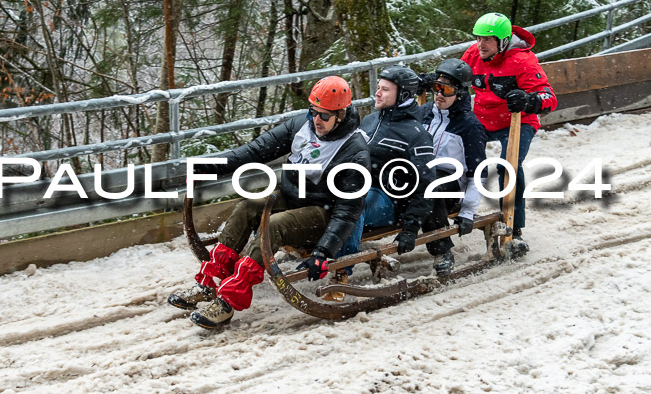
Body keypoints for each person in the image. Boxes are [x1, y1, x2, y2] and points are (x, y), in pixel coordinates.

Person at [168, 76, 370, 329]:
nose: (316, 120)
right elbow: (254, 152)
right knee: (248, 206)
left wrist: (323, 252)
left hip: (323, 211)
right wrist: (207, 167)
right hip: (293, 195)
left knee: (273, 225)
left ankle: (228, 302)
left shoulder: (354, 150)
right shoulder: (302, 126)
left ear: (340, 115)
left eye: (324, 116)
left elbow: (348, 211)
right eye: (313, 112)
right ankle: (209, 282)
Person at [461, 12, 557, 255]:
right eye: (478, 38)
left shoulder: (523, 61)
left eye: (488, 40)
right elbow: (455, 77)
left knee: (509, 166)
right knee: (461, 156)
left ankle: (514, 228)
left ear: (503, 42)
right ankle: (455, 211)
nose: (481, 44)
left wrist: (528, 100)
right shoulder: (473, 54)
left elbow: (549, 98)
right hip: (483, 118)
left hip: (518, 120)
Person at [338, 65, 437, 284]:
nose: (377, 93)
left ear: (402, 94)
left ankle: (341, 272)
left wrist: (411, 228)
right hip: (358, 186)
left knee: (354, 204)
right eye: (378, 87)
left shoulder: (416, 134)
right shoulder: (371, 120)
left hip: (389, 200)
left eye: (385, 89)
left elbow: (427, 184)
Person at [416, 58, 487, 274]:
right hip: (422, 174)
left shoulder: (469, 126)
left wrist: (467, 210)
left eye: (446, 90)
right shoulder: (424, 113)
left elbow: (479, 172)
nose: (439, 94)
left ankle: (442, 250)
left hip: (451, 183)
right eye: (436, 87)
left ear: (460, 93)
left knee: (431, 190)